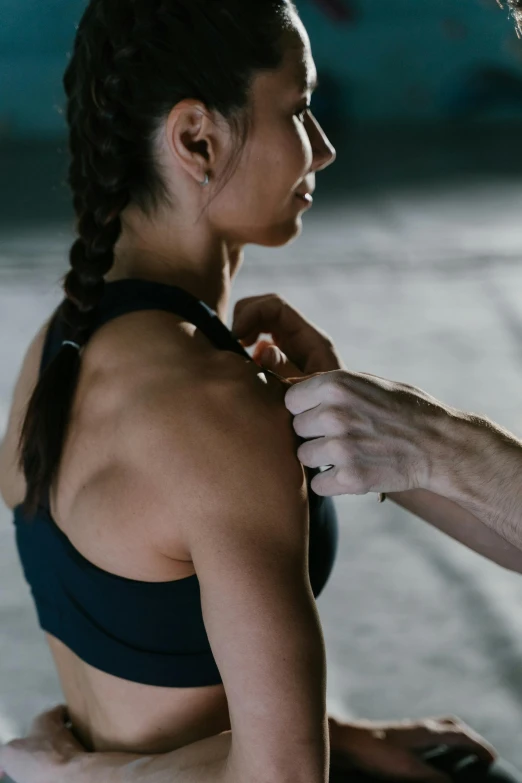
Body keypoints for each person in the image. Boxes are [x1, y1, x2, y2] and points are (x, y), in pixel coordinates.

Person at [0, 2, 515, 783]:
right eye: (301, 109)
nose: (327, 149)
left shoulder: (59, 343)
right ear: (197, 138)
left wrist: (345, 739)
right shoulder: (214, 402)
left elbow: (162, 656)